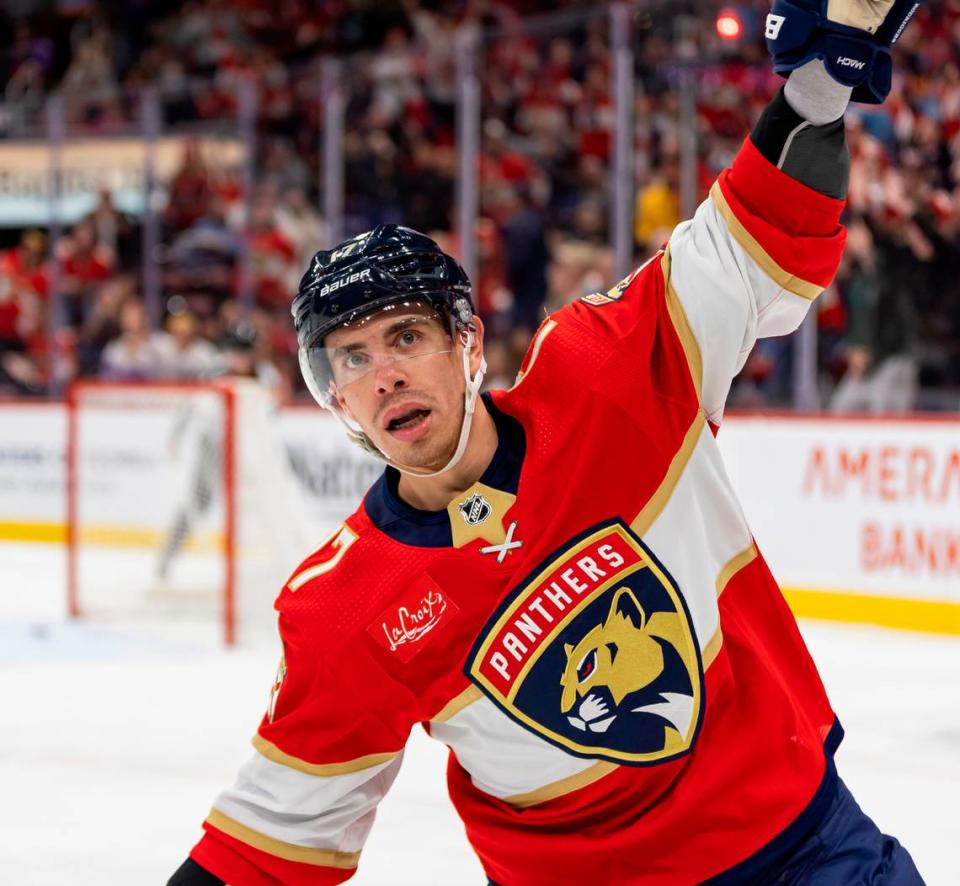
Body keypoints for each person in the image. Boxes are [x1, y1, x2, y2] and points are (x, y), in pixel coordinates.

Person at [169, 4, 925, 884]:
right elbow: (266, 844)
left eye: (406, 338)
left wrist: (818, 84)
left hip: (808, 852)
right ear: (333, 392)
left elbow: (749, 240)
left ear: (466, 343)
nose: (385, 376)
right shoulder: (346, 608)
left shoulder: (609, 378)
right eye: (354, 358)